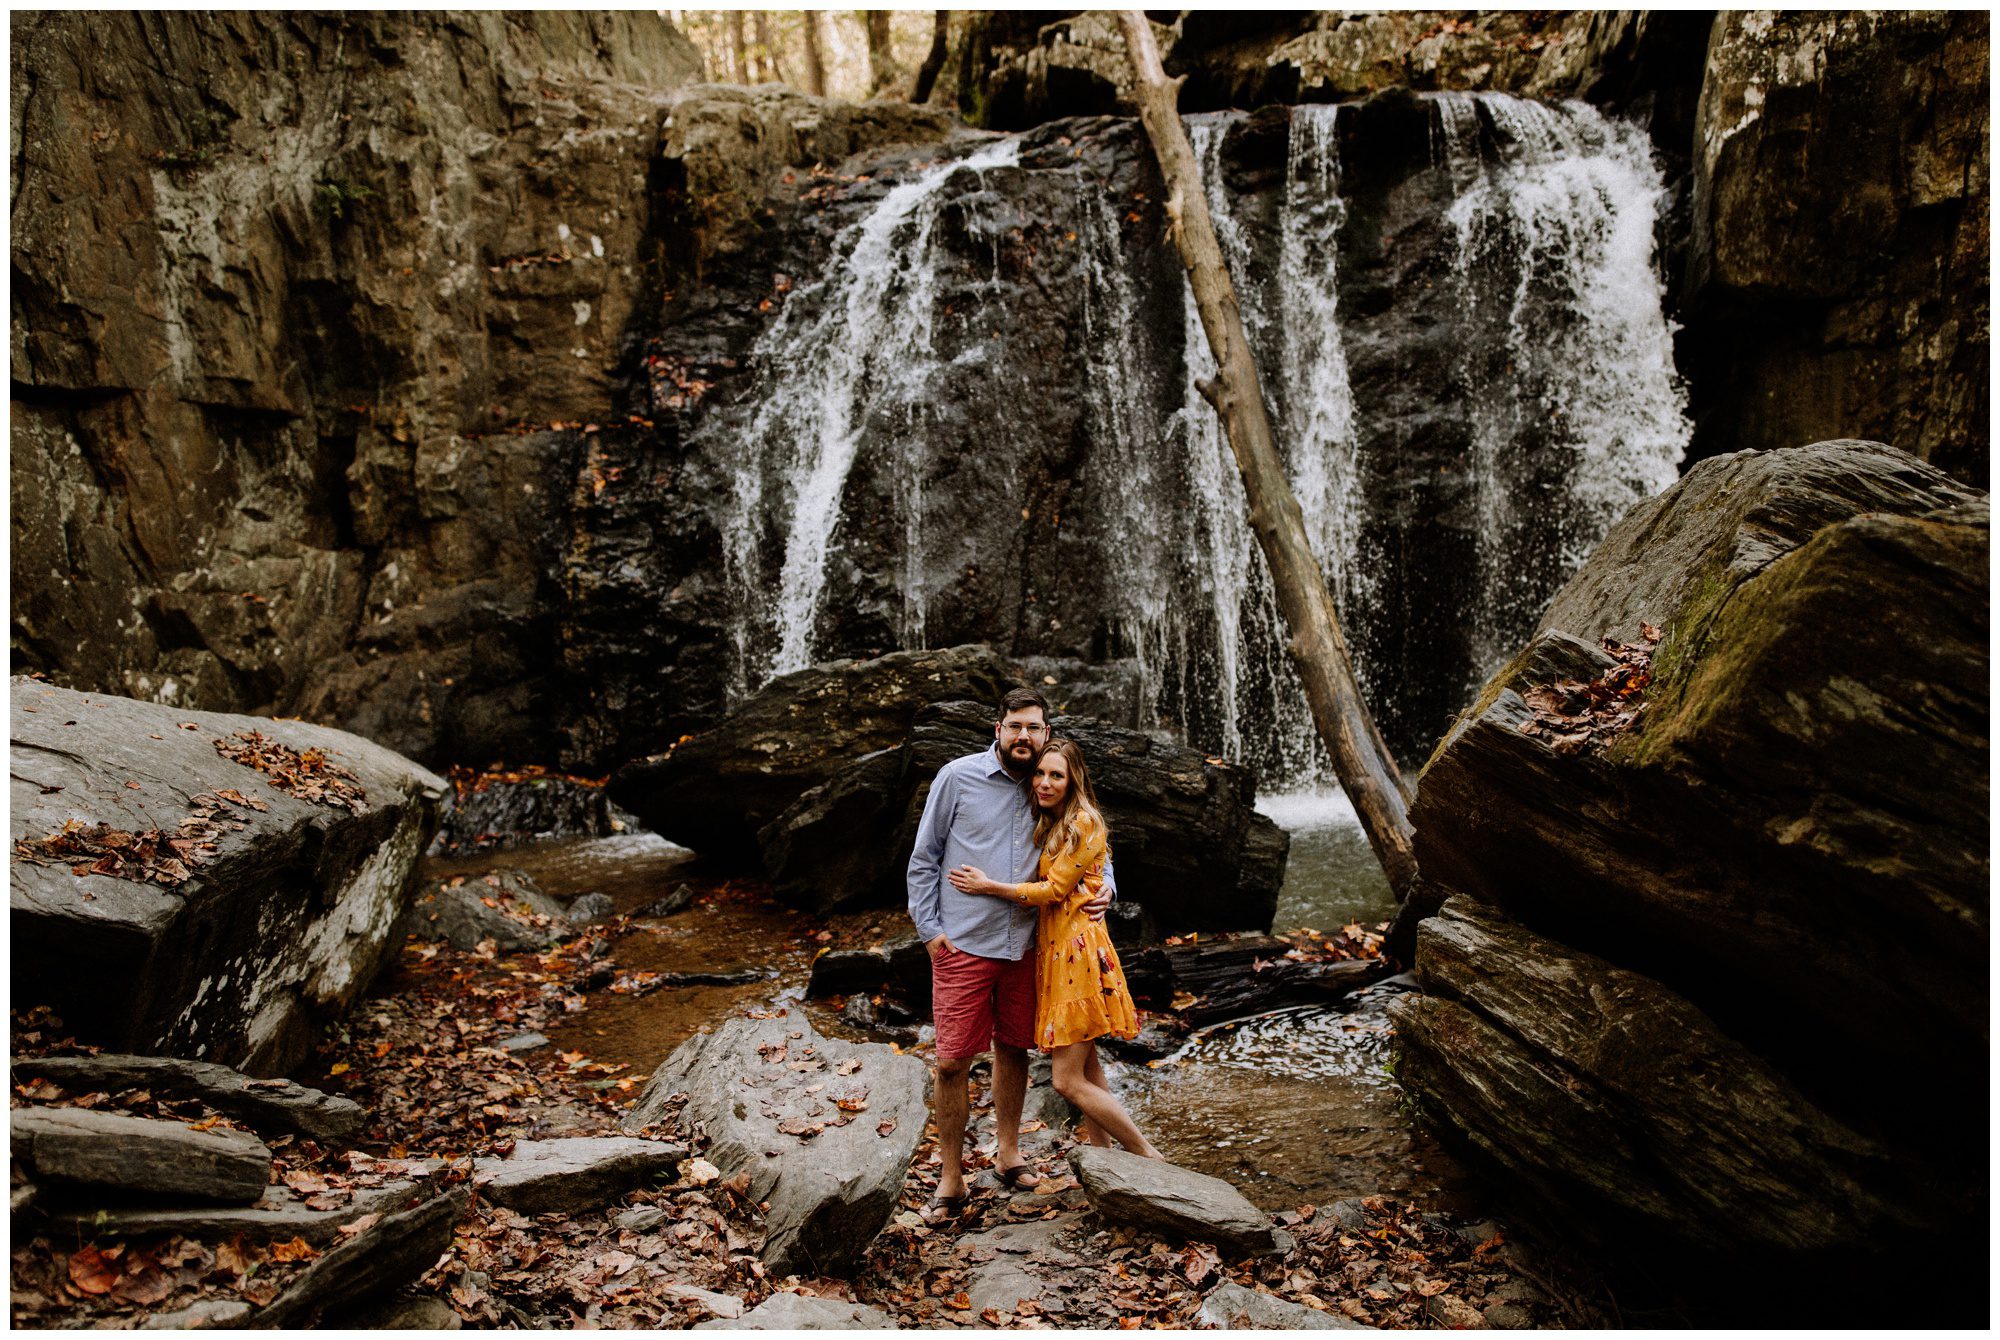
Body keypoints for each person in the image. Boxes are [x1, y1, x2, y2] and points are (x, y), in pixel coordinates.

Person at [906, 687, 1112, 1221]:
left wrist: (1108, 884)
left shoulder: (1051, 783)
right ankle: (951, 1179)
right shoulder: (957, 778)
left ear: (1046, 733)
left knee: (1014, 1050)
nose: (1025, 737)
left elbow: (1090, 838)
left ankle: (1008, 1154)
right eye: (1015, 726)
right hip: (963, 942)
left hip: (1031, 946)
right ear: (997, 729)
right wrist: (929, 931)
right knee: (951, 1062)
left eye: (1034, 728)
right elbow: (924, 858)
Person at [949, 736, 1160, 1159]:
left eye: (1056, 776)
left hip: (1078, 954)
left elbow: (1055, 888)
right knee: (1089, 1069)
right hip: (1059, 951)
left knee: (1066, 1081)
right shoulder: (1056, 820)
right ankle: (1107, 1165)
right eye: (1041, 774)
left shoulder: (1083, 821)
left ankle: (1149, 1157)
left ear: (1073, 778)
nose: (1044, 782)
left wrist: (988, 886)